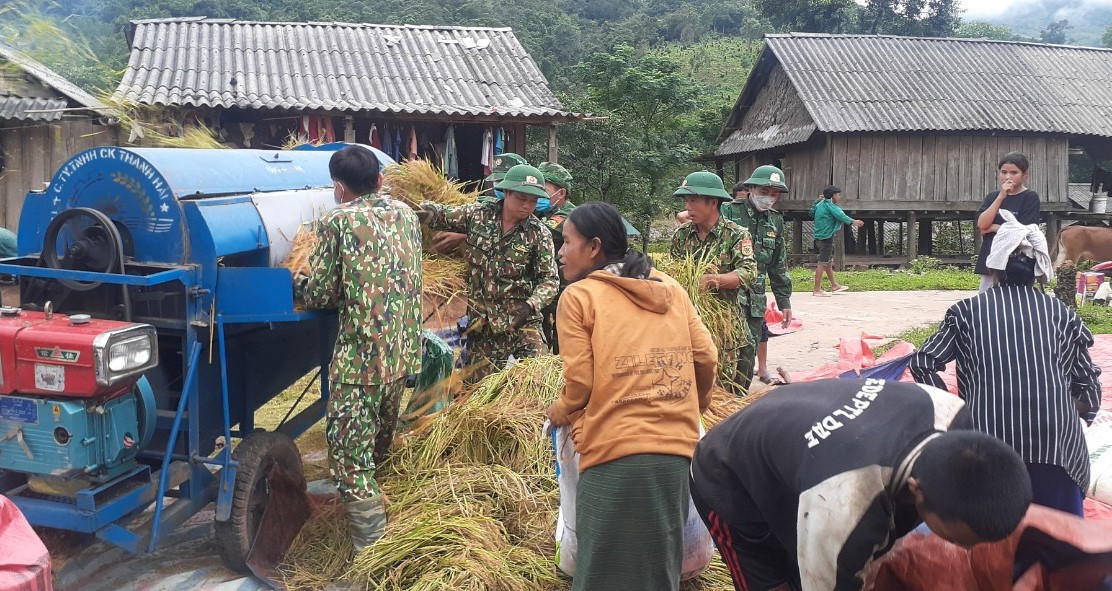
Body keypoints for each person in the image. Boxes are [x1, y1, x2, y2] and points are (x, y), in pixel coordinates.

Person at [690, 379, 1033, 591]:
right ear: (917, 492)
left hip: (804, 454)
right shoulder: (846, 506)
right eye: (957, 539)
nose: (962, 550)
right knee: (774, 582)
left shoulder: (952, 412)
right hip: (729, 475)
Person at [545, 201, 718, 591]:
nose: (560, 251)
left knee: (604, 573)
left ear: (593, 247)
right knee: (658, 569)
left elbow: (580, 384)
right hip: (678, 454)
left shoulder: (579, 297)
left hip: (614, 453)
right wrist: (696, 404)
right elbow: (706, 356)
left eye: (566, 241)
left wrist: (558, 411)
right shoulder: (669, 287)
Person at [296, 145, 423, 550]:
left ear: (338, 187)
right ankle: (391, 527)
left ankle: (373, 557)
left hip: (361, 363)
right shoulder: (407, 214)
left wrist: (296, 279)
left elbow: (320, 293)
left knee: (350, 462)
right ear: (380, 180)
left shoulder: (339, 221)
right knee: (378, 448)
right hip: (400, 355)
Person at [910, 248, 1101, 517]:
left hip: (987, 447)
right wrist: (1074, 414)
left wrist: (954, 413)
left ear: (995, 270)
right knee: (1061, 542)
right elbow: (1087, 384)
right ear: (1037, 273)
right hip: (1057, 450)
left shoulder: (966, 312)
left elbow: (922, 362)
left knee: (989, 535)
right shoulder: (1062, 314)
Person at [417, 164, 559, 378]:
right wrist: (416, 209)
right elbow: (440, 214)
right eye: (522, 198)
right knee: (477, 392)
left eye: (533, 200)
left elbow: (550, 280)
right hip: (484, 327)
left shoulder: (539, 234)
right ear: (507, 193)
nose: (527, 206)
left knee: (536, 382)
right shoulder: (477, 215)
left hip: (522, 324)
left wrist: (530, 305)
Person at [671, 171, 757, 395]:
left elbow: (748, 272)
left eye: (693, 200)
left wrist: (712, 280)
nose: (687, 207)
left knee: (728, 383)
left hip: (724, 320)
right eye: (686, 201)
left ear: (712, 202)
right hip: (688, 320)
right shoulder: (681, 236)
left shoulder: (736, 235)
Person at [722, 166, 793, 387]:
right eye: (765, 191)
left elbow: (778, 265)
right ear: (750, 188)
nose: (769, 198)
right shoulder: (728, 212)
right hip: (725, 296)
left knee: (747, 352)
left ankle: (738, 398)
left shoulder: (776, 221)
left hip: (755, 299)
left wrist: (784, 302)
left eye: (775, 194)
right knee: (722, 348)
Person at [429, 152, 529, 254]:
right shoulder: (488, 208)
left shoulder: (534, 209)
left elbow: (516, 243)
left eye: (504, 182)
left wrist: (466, 238)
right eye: (498, 182)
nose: (502, 189)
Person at [975, 152, 1040, 292]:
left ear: (1025, 175)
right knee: (987, 303)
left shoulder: (1030, 197)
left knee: (1016, 304)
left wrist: (995, 228)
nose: (1008, 177)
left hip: (1017, 263)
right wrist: (1001, 196)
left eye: (1014, 172)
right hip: (991, 258)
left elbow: (1024, 232)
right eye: (1004, 172)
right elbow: (982, 224)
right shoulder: (992, 197)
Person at [537, 161, 575, 353]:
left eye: (543, 188)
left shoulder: (567, 216)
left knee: (564, 345)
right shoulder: (544, 213)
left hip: (565, 291)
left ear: (560, 193)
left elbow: (539, 234)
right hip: (549, 291)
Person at [810, 186, 863, 296]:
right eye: (838, 194)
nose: (839, 197)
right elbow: (840, 215)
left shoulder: (819, 204)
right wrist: (854, 221)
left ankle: (834, 285)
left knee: (828, 262)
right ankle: (817, 290)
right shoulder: (830, 206)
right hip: (826, 238)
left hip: (818, 237)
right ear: (833, 195)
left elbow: (811, 213)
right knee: (822, 263)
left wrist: (816, 201)